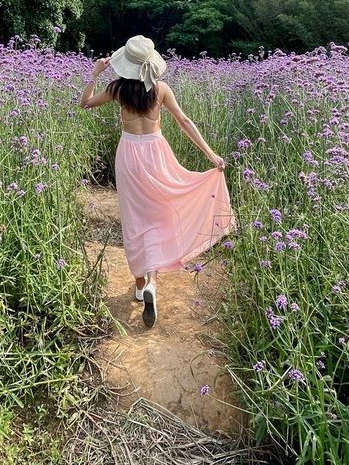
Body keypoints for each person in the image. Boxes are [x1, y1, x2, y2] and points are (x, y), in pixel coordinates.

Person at [79, 35, 234, 328]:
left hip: (129, 155)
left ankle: (140, 285)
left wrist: (95, 72)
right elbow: (185, 122)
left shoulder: (117, 89)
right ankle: (151, 282)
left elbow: (84, 103)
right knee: (159, 215)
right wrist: (212, 156)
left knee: (134, 220)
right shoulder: (161, 89)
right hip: (156, 152)